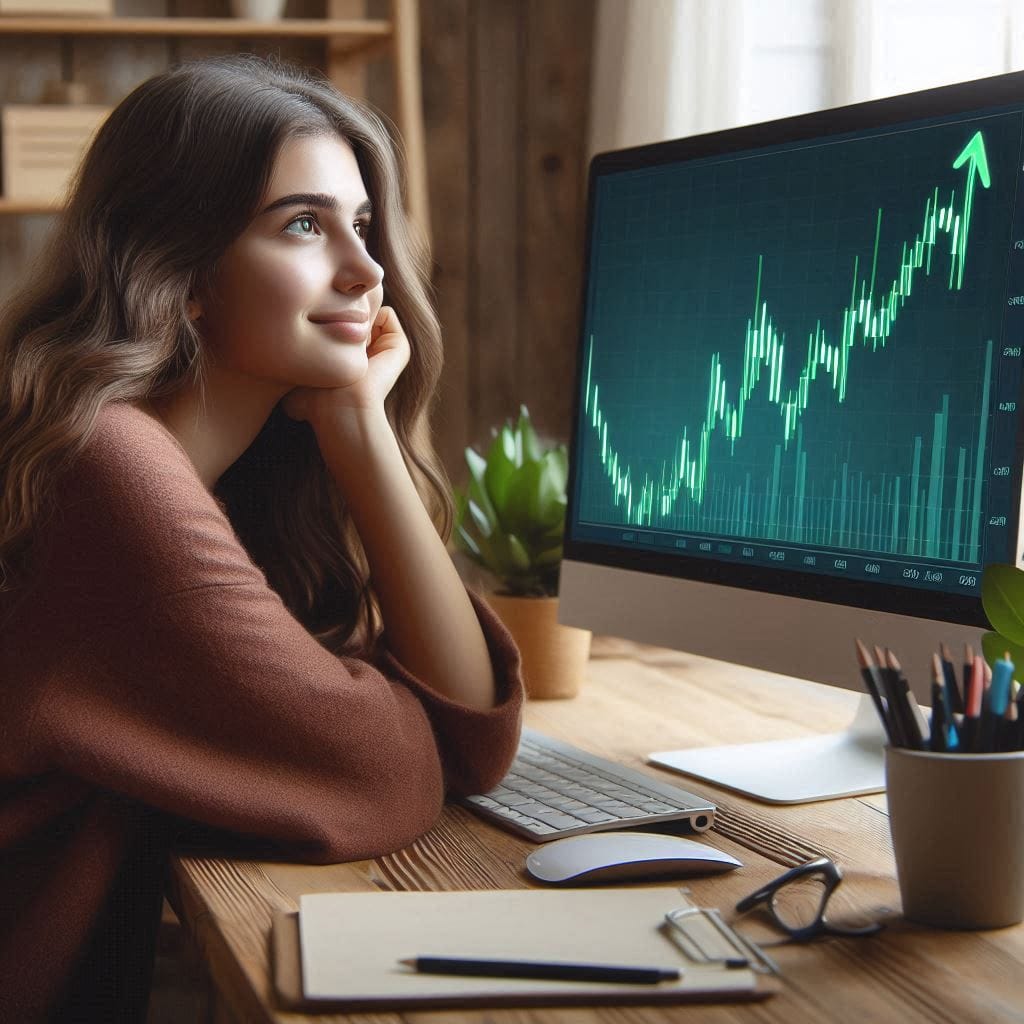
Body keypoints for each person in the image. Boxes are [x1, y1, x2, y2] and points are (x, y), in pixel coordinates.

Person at [0, 54, 523, 1022]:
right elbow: (386, 772)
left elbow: (468, 735)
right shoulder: (109, 469)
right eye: (303, 225)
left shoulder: (213, 475)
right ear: (182, 269)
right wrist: (361, 435)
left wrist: (362, 438)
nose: (367, 272)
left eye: (363, 226)